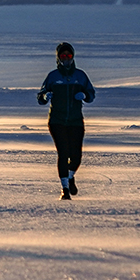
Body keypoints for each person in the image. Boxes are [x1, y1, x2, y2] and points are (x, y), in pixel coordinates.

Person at [38, 42, 96, 200]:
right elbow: (40, 96)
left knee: (76, 156)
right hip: (57, 121)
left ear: (73, 57)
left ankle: (70, 177)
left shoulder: (80, 76)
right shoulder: (53, 76)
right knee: (63, 154)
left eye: (68, 56)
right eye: (63, 56)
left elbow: (91, 94)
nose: (66, 59)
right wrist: (45, 96)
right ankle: (64, 189)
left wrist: (85, 96)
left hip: (75, 121)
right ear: (58, 58)